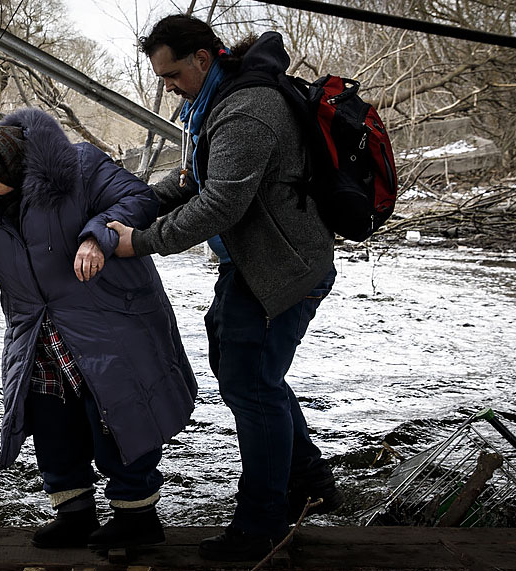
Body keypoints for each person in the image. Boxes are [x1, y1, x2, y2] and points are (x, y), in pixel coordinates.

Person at [0, 108, 197, 550]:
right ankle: (74, 512)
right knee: (51, 419)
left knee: (117, 413)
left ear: (20, 171)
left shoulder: (82, 166)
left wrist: (97, 236)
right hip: (35, 324)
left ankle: (137, 517)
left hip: (106, 313)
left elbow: (138, 199)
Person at [106, 16, 343, 562]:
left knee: (252, 386)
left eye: (171, 76)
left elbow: (220, 203)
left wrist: (137, 242)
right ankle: (308, 480)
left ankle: (260, 525)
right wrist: (131, 203)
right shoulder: (210, 105)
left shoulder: (247, 109)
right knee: (250, 375)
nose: (167, 87)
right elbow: (191, 179)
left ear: (204, 59)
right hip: (251, 267)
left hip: (283, 271)